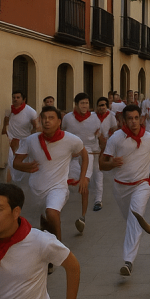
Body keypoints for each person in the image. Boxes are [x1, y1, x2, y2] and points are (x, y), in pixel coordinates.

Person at [100, 105, 150, 277]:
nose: (133, 122)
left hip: (142, 185)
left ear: (141, 119)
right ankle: (135, 234)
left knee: (135, 217)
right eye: (130, 118)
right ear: (123, 120)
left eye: (136, 118)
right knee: (130, 219)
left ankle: (128, 261)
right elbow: (102, 164)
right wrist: (112, 164)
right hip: (120, 187)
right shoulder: (116, 138)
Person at [13, 106, 88, 241]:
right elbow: (16, 163)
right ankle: (48, 247)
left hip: (58, 187)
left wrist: (83, 178)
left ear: (59, 122)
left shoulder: (71, 140)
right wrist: (26, 167)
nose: (47, 121)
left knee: (52, 213)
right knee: (45, 224)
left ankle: (59, 248)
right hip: (36, 189)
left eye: (51, 118)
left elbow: (84, 155)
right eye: (44, 118)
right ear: (40, 121)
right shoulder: (30, 140)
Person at [62, 93, 101, 234]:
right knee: (69, 182)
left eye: (86, 103)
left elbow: (98, 135)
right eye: (82, 103)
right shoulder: (68, 118)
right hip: (71, 155)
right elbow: (63, 133)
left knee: (85, 182)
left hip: (88, 153)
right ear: (76, 104)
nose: (84, 106)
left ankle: (82, 217)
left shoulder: (95, 118)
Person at [2, 90, 40, 186]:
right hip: (12, 140)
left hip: (24, 141)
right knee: (10, 163)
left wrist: (31, 136)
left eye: (18, 97)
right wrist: (4, 131)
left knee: (22, 164)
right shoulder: (9, 110)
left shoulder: (30, 111)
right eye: (14, 97)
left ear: (24, 99)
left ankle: (25, 184)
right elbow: (6, 120)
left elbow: (36, 126)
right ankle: (9, 186)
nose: (15, 99)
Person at [91, 97, 114, 212]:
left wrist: (110, 143)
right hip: (90, 148)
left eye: (104, 105)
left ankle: (98, 200)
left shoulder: (111, 116)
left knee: (98, 174)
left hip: (103, 149)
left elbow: (114, 129)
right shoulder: (91, 117)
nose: (102, 107)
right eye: (100, 105)